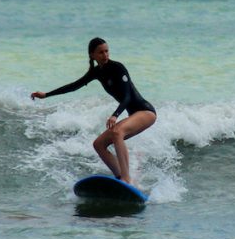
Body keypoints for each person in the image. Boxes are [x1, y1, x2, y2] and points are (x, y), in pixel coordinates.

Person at [32, 37, 156, 186]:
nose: (105, 55)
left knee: (117, 132)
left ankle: (126, 179)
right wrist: (46, 95)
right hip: (134, 115)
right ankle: (120, 178)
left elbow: (128, 96)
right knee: (98, 144)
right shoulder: (97, 72)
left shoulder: (118, 68)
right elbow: (74, 86)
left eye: (106, 51)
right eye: (101, 52)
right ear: (92, 55)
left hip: (145, 112)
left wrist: (115, 115)